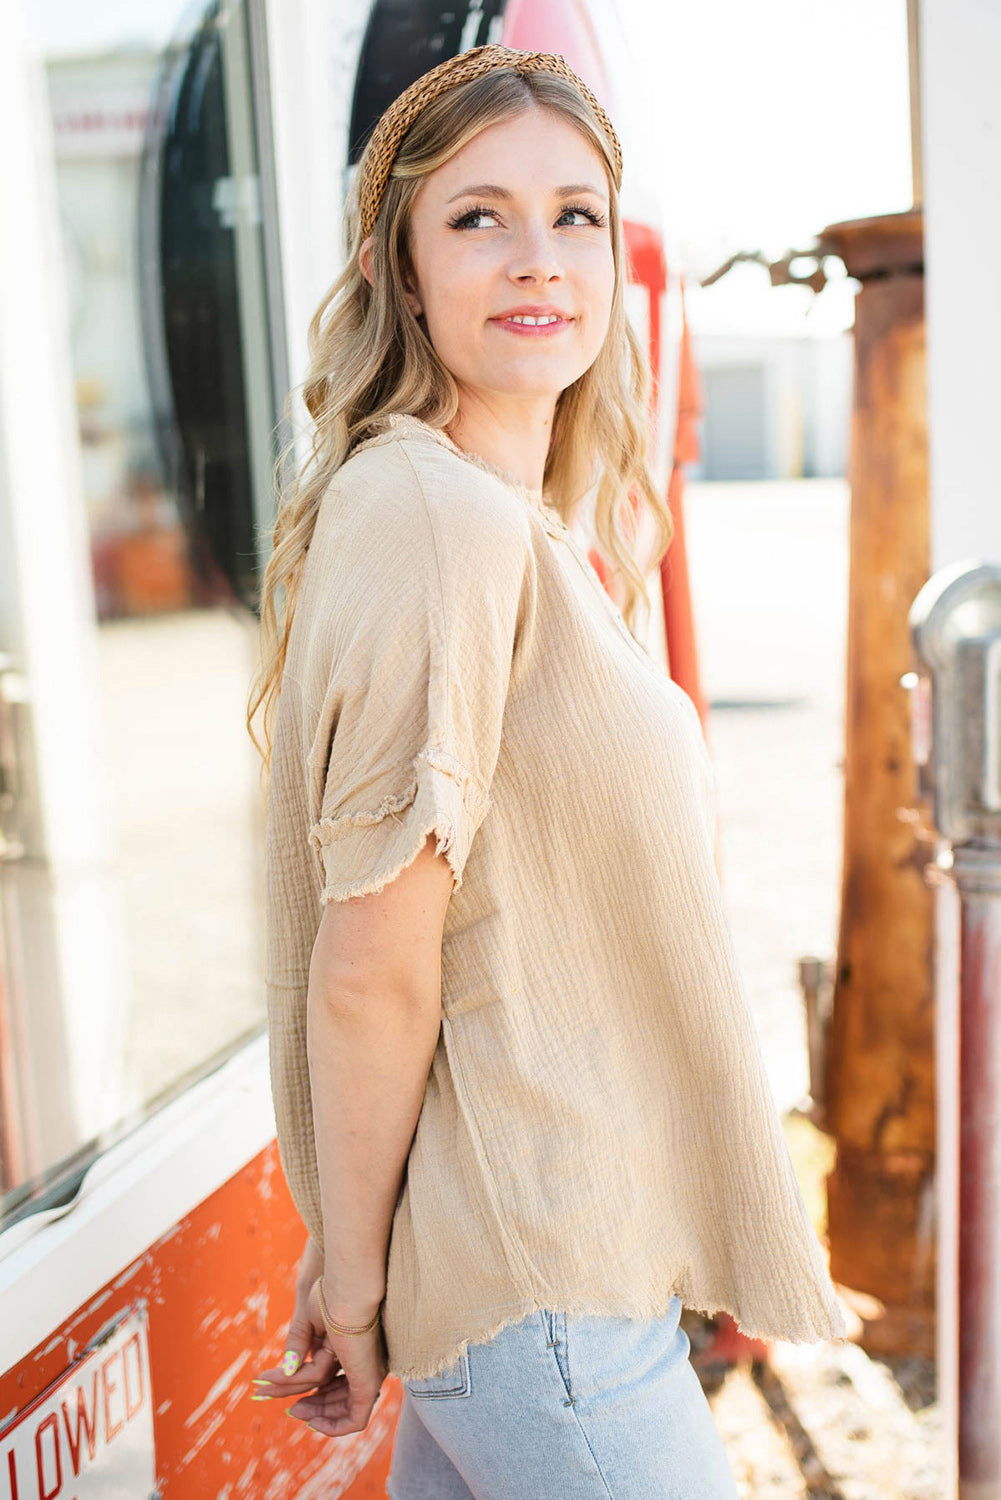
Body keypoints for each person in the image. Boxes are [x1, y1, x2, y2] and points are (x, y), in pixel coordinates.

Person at [246, 43, 846, 1499]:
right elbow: (370, 964)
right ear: (395, 270)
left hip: (538, 1269)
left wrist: (365, 1257)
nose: (538, 258)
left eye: (575, 214)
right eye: (478, 218)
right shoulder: (437, 521)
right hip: (538, 1286)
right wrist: (350, 1280)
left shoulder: (504, 519)